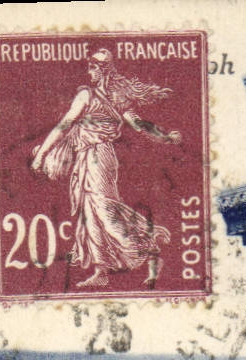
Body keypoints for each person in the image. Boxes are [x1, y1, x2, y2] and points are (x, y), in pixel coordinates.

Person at [28, 49, 181, 288]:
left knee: (104, 211)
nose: (89, 72)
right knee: (89, 214)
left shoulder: (89, 96)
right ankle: (102, 271)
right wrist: (166, 137)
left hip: (98, 157)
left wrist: (43, 154)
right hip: (90, 157)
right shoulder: (107, 97)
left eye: (93, 68)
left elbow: (64, 125)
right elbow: (139, 125)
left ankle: (149, 250)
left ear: (102, 70)